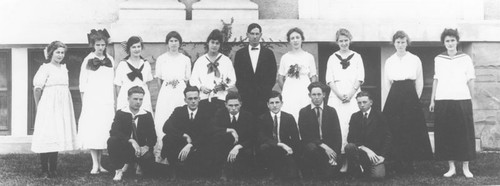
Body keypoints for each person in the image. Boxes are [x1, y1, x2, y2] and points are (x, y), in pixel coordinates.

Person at [383, 30, 433, 172]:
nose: (400, 45)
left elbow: (419, 80)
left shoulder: (414, 59)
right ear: (394, 43)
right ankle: (397, 160)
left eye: (403, 42)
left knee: (411, 128)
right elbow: (387, 82)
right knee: (395, 127)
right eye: (398, 42)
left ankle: (410, 161)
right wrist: (393, 97)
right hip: (395, 94)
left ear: (407, 43)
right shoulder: (389, 60)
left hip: (410, 94)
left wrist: (414, 98)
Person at [429, 28, 476, 178]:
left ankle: (466, 167)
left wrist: (472, 100)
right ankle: (451, 167)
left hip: (462, 99)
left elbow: (471, 79)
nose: (450, 43)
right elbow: (436, 79)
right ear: (444, 43)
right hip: (443, 99)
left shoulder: (465, 58)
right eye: (447, 41)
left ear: (457, 41)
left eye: (452, 40)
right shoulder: (438, 59)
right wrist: (432, 100)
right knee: (446, 133)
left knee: (464, 133)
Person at [31, 41, 78, 178]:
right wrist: (38, 105)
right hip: (48, 105)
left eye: (62, 52)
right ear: (51, 53)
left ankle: (53, 168)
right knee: (47, 134)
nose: (60, 55)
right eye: (57, 52)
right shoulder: (45, 68)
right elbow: (37, 88)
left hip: (62, 106)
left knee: (56, 134)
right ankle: (45, 169)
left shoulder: (64, 68)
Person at [325, 28, 365, 171]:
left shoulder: (357, 56)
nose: (343, 43)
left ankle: (351, 159)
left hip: (352, 96)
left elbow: (360, 77)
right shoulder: (332, 58)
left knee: (351, 126)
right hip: (337, 97)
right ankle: (337, 160)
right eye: (341, 41)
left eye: (346, 40)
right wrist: (338, 94)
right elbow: (329, 79)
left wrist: (350, 94)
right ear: (337, 42)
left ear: (350, 41)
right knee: (337, 127)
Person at [78, 29, 114, 175]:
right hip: (92, 100)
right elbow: (82, 83)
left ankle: (101, 164)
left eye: (103, 44)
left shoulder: (110, 60)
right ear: (93, 45)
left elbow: (112, 81)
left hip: (106, 100)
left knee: (103, 130)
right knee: (93, 130)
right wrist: (84, 102)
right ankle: (94, 164)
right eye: (98, 44)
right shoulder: (88, 60)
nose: (100, 47)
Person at [154, 31, 192, 164]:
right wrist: (164, 93)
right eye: (171, 41)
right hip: (166, 93)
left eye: (176, 40)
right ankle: (161, 154)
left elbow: (187, 80)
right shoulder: (161, 59)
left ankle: (178, 153)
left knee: (178, 119)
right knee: (163, 118)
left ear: (180, 43)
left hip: (179, 93)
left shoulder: (185, 59)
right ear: (167, 43)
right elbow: (159, 80)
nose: (173, 43)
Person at [161, 86, 213, 178]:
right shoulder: (179, 111)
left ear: (199, 99)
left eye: (195, 98)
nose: (193, 101)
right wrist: (183, 135)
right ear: (185, 100)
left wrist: (191, 144)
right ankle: (174, 166)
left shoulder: (206, 112)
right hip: (182, 144)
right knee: (167, 138)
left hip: (198, 145)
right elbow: (166, 127)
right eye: (190, 98)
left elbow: (207, 133)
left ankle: (194, 168)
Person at [108, 86, 157, 181]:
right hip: (125, 147)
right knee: (112, 141)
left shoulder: (146, 115)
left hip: (141, 149)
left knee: (149, 170)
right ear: (128, 99)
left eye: (141, 99)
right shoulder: (121, 113)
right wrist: (130, 140)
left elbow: (153, 136)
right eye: (135, 99)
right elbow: (114, 131)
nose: (138, 102)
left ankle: (138, 164)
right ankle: (118, 170)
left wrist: (146, 147)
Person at [298, 82, 342, 179]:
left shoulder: (331, 111)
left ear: (324, 95)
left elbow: (337, 135)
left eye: (319, 94)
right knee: (311, 148)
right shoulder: (304, 112)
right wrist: (323, 146)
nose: (316, 97)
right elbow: (305, 136)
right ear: (309, 95)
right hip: (313, 147)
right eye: (314, 94)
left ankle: (325, 167)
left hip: (329, 149)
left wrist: (335, 154)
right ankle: (313, 169)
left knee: (329, 176)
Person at [210, 91, 257, 180]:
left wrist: (238, 147)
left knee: (242, 171)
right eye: (230, 105)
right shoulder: (220, 113)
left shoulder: (248, 116)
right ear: (225, 105)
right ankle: (224, 170)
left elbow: (252, 137)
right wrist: (229, 130)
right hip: (225, 147)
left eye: (236, 105)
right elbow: (212, 129)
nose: (234, 108)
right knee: (220, 138)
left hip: (242, 147)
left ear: (241, 104)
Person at [345, 91, 392, 179]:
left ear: (371, 102)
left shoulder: (379, 116)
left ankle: (368, 169)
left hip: (376, 154)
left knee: (378, 176)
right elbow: (350, 138)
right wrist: (365, 149)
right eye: (359, 103)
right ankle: (357, 169)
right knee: (349, 147)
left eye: (364, 102)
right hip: (361, 152)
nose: (362, 105)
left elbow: (387, 137)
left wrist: (382, 156)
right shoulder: (355, 117)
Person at [234, 23, 277, 117]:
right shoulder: (240, 54)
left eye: (257, 34)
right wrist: (244, 92)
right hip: (246, 98)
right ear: (247, 34)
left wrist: (265, 92)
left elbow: (272, 75)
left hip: (263, 98)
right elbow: (237, 76)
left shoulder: (268, 54)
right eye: (252, 33)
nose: (254, 36)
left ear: (261, 35)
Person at [190, 29, 236, 114]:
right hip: (204, 98)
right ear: (208, 43)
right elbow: (193, 79)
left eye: (217, 43)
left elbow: (232, 79)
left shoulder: (226, 61)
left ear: (220, 45)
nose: (214, 45)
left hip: (221, 98)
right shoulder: (200, 61)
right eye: (212, 42)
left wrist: (223, 86)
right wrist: (201, 87)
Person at [257, 91, 300, 179]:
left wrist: (290, 148)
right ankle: (272, 170)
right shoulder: (262, 118)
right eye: (272, 103)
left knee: (292, 177)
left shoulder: (289, 117)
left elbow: (295, 137)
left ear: (282, 103)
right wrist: (279, 144)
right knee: (264, 147)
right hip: (271, 148)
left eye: (277, 102)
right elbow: (262, 137)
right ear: (267, 104)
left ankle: (287, 167)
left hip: (286, 150)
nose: (275, 105)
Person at [278, 27, 318, 122]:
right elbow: (280, 77)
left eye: (297, 37)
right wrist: (286, 90)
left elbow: (313, 76)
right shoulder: (285, 57)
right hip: (289, 90)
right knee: (290, 112)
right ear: (289, 41)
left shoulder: (309, 57)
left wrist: (310, 91)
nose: (295, 40)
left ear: (302, 39)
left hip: (304, 89)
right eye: (292, 38)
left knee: (305, 113)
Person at [114, 36, 154, 112]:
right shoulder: (123, 64)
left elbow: (148, 84)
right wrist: (123, 98)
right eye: (133, 47)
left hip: (142, 98)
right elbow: (117, 86)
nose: (136, 49)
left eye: (138, 46)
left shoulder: (146, 64)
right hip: (126, 97)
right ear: (129, 49)